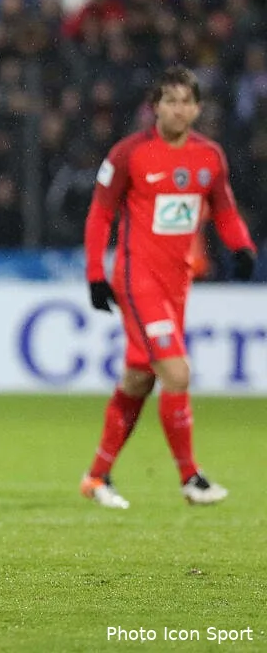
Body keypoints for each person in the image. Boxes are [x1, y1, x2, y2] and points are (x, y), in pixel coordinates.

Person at [81, 65, 255, 509]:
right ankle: (190, 478)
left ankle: (97, 477)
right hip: (138, 280)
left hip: (178, 282)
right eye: (170, 100)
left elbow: (225, 209)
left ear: (198, 107)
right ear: (154, 106)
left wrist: (242, 247)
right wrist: (96, 275)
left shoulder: (209, 156)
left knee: (139, 378)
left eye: (187, 101)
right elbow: (100, 215)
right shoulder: (128, 154)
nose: (179, 109)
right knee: (177, 372)